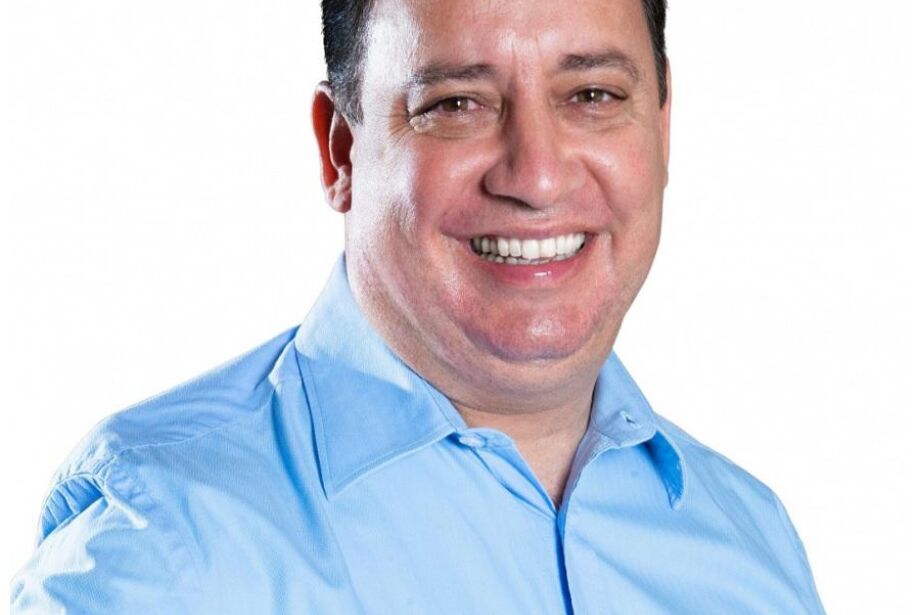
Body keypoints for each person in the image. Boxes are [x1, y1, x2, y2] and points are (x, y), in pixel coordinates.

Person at [12, 0, 825, 612]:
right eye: (455, 104)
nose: (538, 176)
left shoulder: (751, 545)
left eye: (592, 94)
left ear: (662, 128)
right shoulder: (165, 548)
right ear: (341, 151)